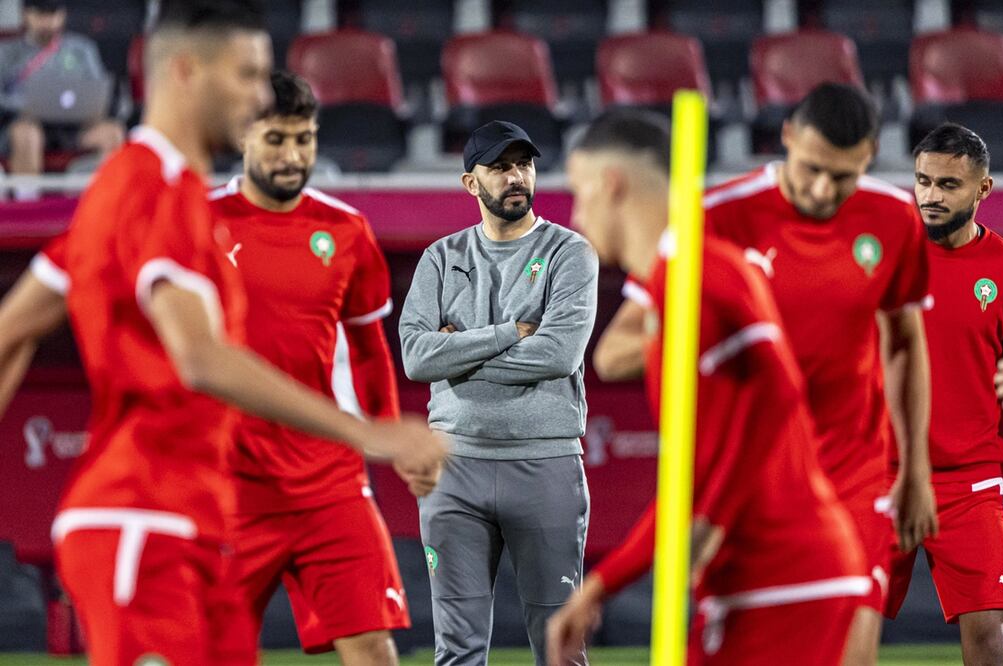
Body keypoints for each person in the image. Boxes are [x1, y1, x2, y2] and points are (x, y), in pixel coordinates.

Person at [0, 2, 445, 664]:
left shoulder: (128, 185)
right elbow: (200, 358)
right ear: (186, 71)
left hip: (190, 518)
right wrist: (365, 432)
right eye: (246, 75)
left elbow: (12, 327)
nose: (260, 95)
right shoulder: (157, 189)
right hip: (142, 517)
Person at [547, 110, 867, 666]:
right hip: (751, 580)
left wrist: (705, 521)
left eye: (577, 193)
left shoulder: (699, 276)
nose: (575, 217)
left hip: (782, 577)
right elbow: (704, 465)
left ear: (609, 183)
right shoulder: (680, 283)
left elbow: (781, 394)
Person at [699, 83, 936, 665]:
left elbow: (905, 343)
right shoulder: (719, 216)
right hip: (753, 482)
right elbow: (632, 343)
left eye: (844, 176)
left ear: (871, 155)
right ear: (786, 138)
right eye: (811, 170)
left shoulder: (894, 217)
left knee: (851, 653)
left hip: (854, 472)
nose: (824, 190)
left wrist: (915, 471)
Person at [208, 69, 424, 665]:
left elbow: (368, 346)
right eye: (276, 139)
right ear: (244, 139)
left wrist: (387, 432)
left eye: (304, 138)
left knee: (376, 649)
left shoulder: (346, 230)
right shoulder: (198, 223)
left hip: (329, 481)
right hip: (230, 484)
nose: (292, 155)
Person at [399, 120, 598, 666]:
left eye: (524, 165)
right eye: (501, 167)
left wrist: (458, 354)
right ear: (471, 183)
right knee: (456, 650)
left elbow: (558, 355)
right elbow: (417, 358)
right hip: (454, 469)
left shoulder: (569, 253)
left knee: (561, 646)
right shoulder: (440, 258)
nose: (516, 177)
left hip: (546, 464)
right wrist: (509, 333)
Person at [882, 123, 1003, 665]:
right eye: (923, 181)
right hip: (879, 475)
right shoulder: (883, 257)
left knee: (988, 636)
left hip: (970, 484)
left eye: (948, 185)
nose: (931, 196)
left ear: (983, 190)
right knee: (843, 627)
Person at [0, 0, 124, 195]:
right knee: (26, 134)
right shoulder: (6, 52)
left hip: (75, 128)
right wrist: (23, 104)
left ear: (63, 15)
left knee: (112, 133)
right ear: (25, 14)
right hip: (25, 125)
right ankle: (28, 203)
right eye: (41, 14)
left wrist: (93, 108)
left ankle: (102, 199)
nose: (48, 21)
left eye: (53, 13)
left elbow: (98, 90)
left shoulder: (82, 49)